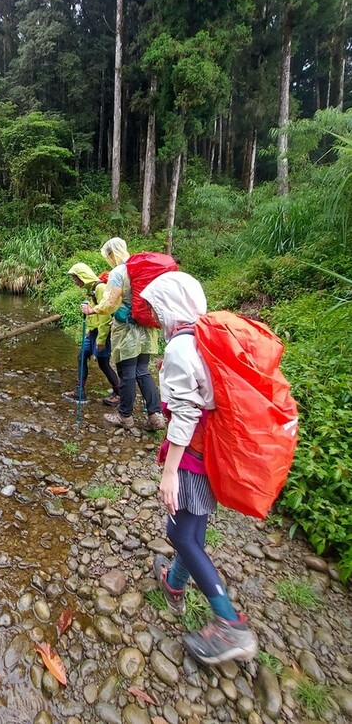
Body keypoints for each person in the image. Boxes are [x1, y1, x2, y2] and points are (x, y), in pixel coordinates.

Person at [140, 270, 258, 665]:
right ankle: (174, 585)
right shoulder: (203, 337)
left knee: (180, 534)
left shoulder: (179, 348)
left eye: (157, 307)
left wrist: (170, 471)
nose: (155, 315)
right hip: (215, 449)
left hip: (192, 454)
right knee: (193, 526)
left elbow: (186, 413)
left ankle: (230, 625)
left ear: (170, 307)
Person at [82, 237, 166, 430]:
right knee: (142, 371)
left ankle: (125, 416)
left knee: (127, 372)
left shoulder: (119, 272)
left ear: (111, 254)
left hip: (127, 330)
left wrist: (93, 310)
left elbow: (110, 302)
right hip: (146, 326)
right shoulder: (140, 268)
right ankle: (156, 416)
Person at [62, 263, 120, 405]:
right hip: (92, 332)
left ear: (83, 277)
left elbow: (105, 315)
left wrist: (101, 340)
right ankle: (79, 391)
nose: (75, 282)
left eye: (76, 279)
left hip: (101, 333)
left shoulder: (100, 288)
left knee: (103, 364)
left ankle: (119, 393)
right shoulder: (91, 289)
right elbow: (94, 312)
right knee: (82, 357)